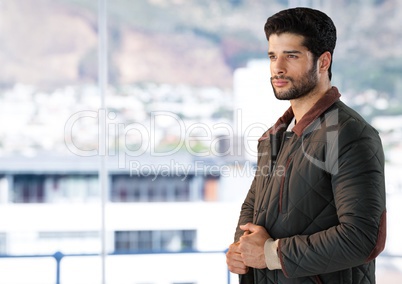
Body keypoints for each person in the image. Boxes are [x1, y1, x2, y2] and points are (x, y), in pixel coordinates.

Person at [226, 7, 386, 284]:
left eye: (291, 56)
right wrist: (240, 251)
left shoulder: (350, 134)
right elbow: (251, 212)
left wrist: (269, 253)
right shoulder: (273, 138)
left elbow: (362, 238)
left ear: (323, 62)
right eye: (273, 56)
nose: (278, 67)